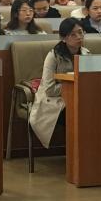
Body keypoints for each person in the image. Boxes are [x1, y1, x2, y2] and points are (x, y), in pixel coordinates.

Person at [30, 18, 87, 148]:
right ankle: (76, 151)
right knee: (76, 113)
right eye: (73, 34)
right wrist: (71, 86)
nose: (79, 37)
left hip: (78, 98)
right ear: (63, 38)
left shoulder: (86, 54)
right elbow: (49, 89)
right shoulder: (53, 56)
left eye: (80, 32)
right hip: (55, 101)